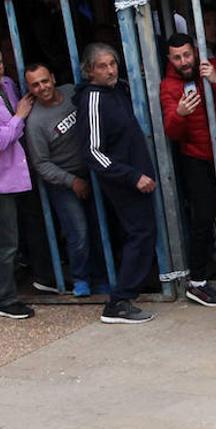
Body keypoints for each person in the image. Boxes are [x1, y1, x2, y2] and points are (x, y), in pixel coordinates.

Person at [77, 43, 160, 324]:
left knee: (142, 233)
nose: (111, 70)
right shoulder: (92, 99)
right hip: (123, 181)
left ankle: (131, 290)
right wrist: (131, 176)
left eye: (113, 63)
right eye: (102, 65)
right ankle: (118, 301)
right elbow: (92, 152)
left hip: (136, 178)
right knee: (140, 233)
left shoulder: (117, 90)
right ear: (89, 71)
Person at [24, 62, 107, 298]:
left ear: (52, 77)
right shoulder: (36, 122)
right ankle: (81, 279)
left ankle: (102, 277)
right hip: (63, 182)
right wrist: (72, 181)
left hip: (91, 170)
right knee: (78, 232)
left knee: (99, 226)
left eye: (44, 81)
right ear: (30, 89)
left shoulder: (73, 91)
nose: (42, 88)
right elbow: (41, 164)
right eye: (35, 85)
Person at [159, 32, 216, 308]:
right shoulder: (168, 86)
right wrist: (179, 114)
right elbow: (170, 131)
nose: (184, 61)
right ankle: (197, 281)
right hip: (197, 157)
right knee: (203, 216)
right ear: (169, 59)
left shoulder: (214, 67)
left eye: (187, 54)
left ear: (195, 51)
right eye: (177, 57)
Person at [0, 57, 34, 320]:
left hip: (18, 173)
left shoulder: (8, 84)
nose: (0, 66)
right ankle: (6, 299)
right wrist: (19, 117)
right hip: (2, 181)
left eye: (0, 61)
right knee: (7, 244)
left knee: (18, 238)